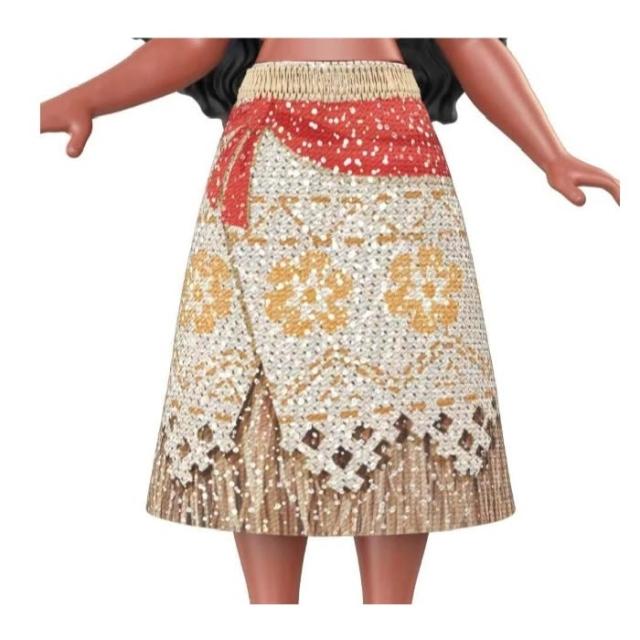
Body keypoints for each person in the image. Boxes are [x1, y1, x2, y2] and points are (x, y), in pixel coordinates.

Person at [40, 38, 620, 604]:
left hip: (393, 147)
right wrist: (84, 100)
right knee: (259, 383)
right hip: (270, 157)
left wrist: (551, 154)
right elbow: (198, 40)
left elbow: (466, 37)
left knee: (398, 379)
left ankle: (389, 609)